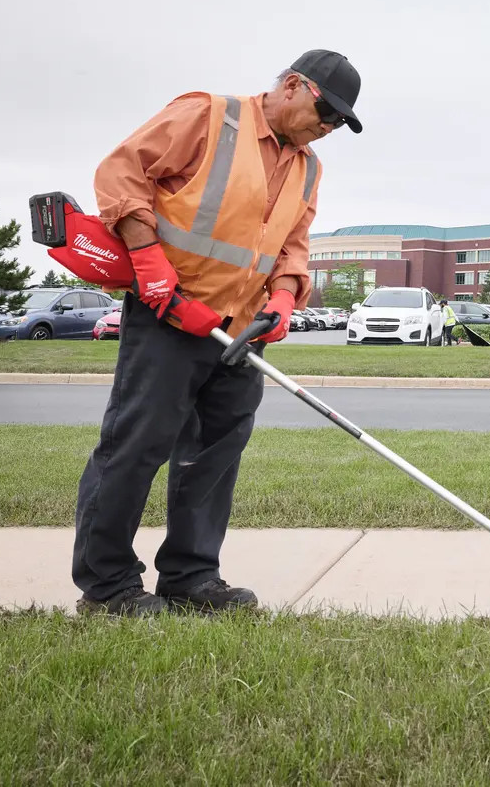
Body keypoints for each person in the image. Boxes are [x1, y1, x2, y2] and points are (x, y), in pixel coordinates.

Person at [72, 50, 363, 617]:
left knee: (214, 455)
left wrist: (284, 294)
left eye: (337, 125)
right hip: (169, 315)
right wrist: (147, 257)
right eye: (325, 112)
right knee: (135, 446)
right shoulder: (208, 117)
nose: (326, 129)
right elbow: (121, 172)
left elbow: (293, 244)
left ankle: (191, 575)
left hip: (240, 330)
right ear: (293, 86)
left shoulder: (308, 167)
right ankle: (107, 585)